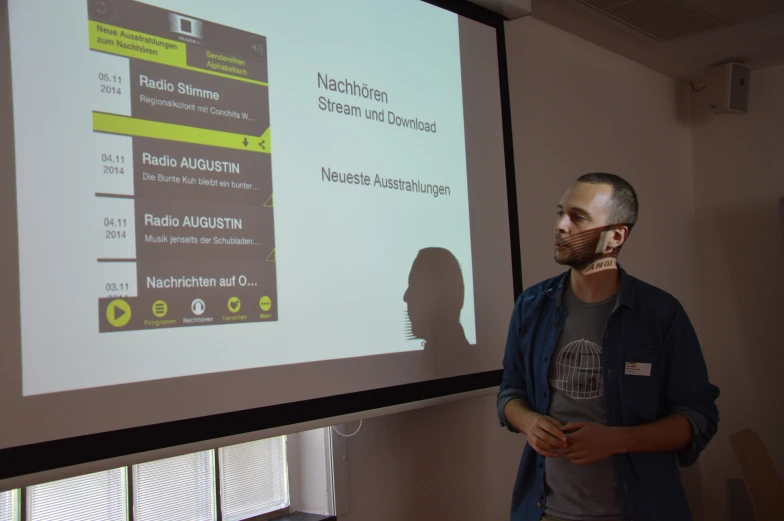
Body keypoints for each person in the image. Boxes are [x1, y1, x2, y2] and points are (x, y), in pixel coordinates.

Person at [497, 173, 719, 521]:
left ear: (615, 235)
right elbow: (510, 392)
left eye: (578, 217)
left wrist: (617, 440)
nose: (561, 226)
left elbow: (698, 417)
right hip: (546, 511)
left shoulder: (660, 314)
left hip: (639, 511)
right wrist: (528, 423)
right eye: (560, 213)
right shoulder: (532, 306)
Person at [403, 247, 472, 377]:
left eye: (414, 286)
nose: (405, 296)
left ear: (437, 295)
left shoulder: (447, 362)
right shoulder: (444, 352)